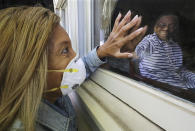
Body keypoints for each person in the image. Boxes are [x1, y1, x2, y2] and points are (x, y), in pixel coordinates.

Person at [0, 6, 147, 131]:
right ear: (30, 69)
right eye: (64, 50)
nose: (75, 55)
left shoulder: (51, 91)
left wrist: (103, 51)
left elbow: (84, 66)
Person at [135, 13, 195, 88]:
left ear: (175, 28)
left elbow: (179, 70)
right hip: (159, 89)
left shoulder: (176, 47)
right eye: (162, 24)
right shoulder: (150, 41)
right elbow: (135, 54)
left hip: (181, 86)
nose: (166, 28)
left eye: (171, 26)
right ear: (155, 26)